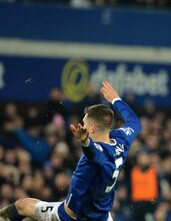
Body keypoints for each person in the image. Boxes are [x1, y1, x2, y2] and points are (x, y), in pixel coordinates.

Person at [0, 81, 142, 221]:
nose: (81, 125)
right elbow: (134, 123)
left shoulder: (98, 152)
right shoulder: (121, 140)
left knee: (21, 207)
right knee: (25, 209)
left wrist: (86, 142)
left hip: (72, 216)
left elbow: (94, 154)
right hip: (102, 216)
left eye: (84, 123)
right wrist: (116, 100)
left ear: (92, 128)